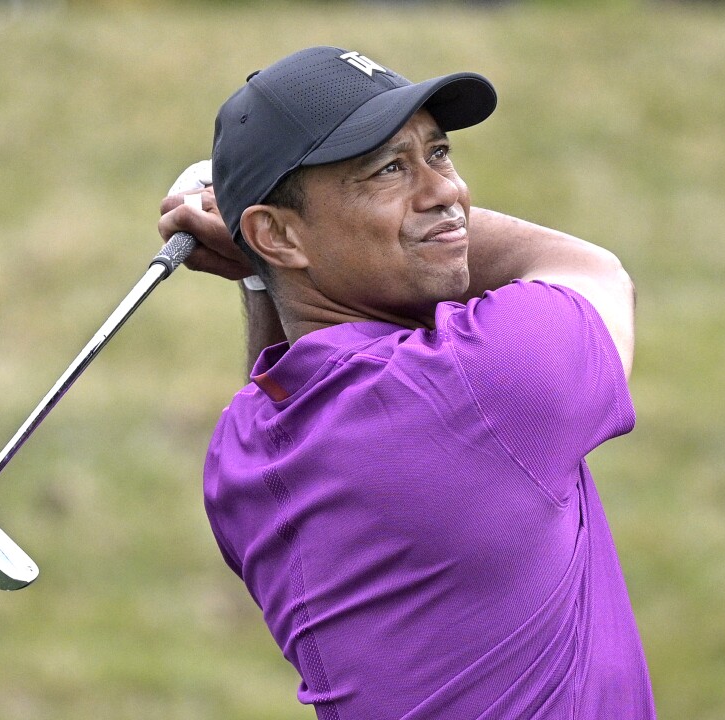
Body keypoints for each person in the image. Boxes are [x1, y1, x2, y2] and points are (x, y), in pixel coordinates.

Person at [157, 46, 654, 719]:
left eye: (438, 153)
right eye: (389, 169)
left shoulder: (239, 455)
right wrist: (261, 253)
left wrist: (263, 268)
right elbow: (594, 272)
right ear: (278, 234)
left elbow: (288, 376)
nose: (447, 191)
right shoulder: (480, 381)